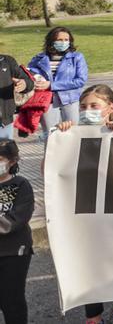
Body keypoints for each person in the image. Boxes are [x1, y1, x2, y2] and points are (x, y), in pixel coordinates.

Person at [56, 86, 113, 324]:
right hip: (86, 210)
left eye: (94, 106)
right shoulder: (71, 134)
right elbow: (50, 172)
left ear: (111, 107)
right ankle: (93, 317)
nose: (87, 111)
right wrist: (61, 138)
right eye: (83, 107)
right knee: (88, 262)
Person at [26, 26, 88, 135]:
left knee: (72, 133)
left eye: (66, 40)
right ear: (51, 41)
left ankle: (71, 153)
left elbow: (80, 80)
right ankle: (50, 152)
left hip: (70, 99)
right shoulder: (39, 58)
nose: (63, 42)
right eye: (60, 40)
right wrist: (36, 79)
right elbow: (29, 74)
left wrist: (51, 85)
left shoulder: (77, 57)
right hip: (46, 100)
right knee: (50, 134)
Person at [0, 138, 34, 324]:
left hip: (15, 251)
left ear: (12, 161)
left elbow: (19, 218)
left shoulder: (21, 185)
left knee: (11, 299)